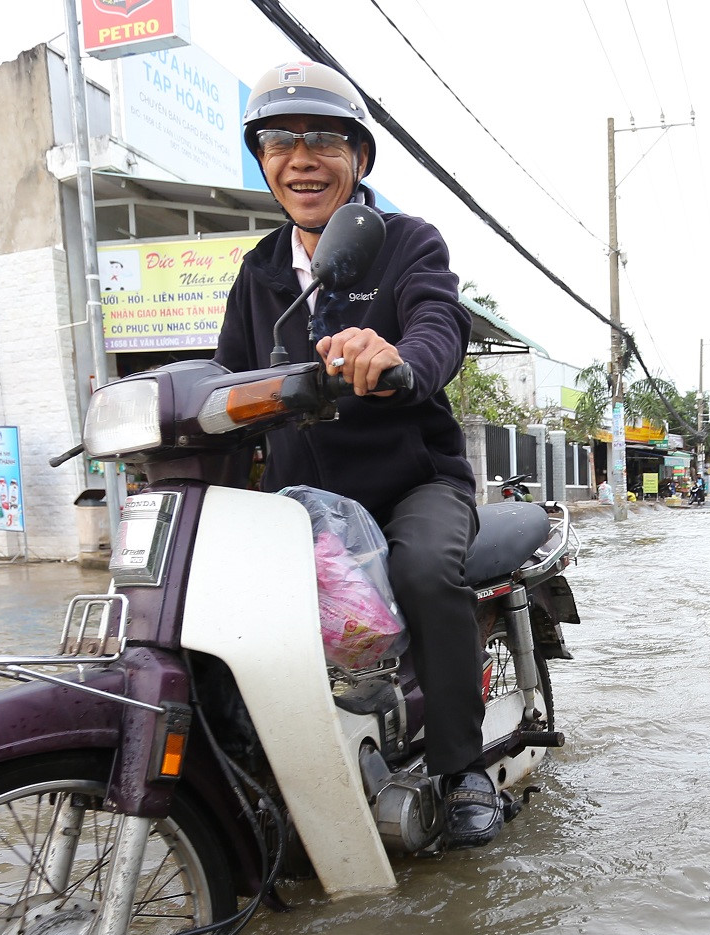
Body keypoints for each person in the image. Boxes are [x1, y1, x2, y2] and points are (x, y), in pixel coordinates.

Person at [212, 61, 502, 848]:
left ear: (360, 159)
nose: (301, 158)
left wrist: (399, 356)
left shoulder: (407, 243)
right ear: (264, 161)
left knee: (423, 572)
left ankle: (461, 767)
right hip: (307, 494)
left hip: (413, 481)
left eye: (323, 140)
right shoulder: (261, 270)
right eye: (279, 141)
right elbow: (229, 381)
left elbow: (441, 329)